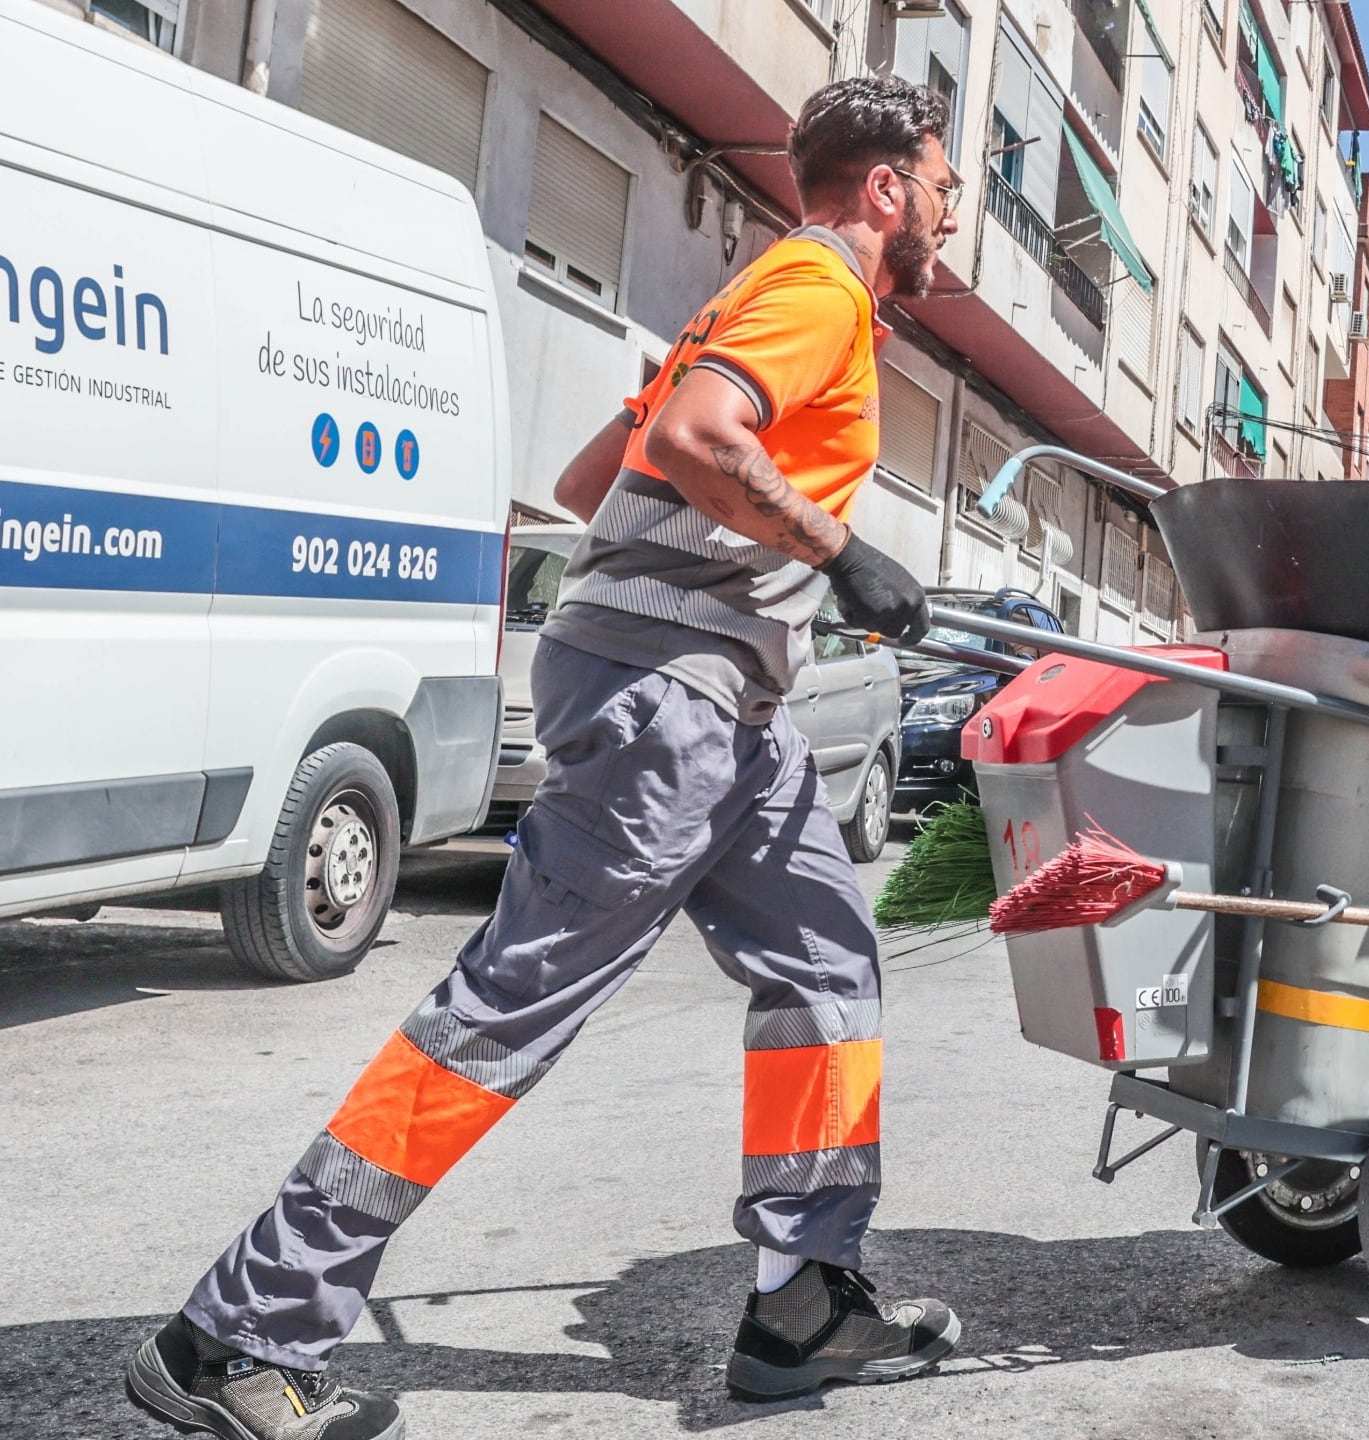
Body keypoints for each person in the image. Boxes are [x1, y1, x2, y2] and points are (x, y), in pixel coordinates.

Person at [126, 76, 967, 1440]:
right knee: (502, 1016)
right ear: (886, 189)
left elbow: (598, 481)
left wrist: (771, 552)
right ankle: (233, 1334)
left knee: (829, 965)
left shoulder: (754, 304)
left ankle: (802, 1299)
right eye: (943, 187)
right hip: (666, 703)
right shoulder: (819, 290)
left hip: (728, 715)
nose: (947, 216)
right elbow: (695, 441)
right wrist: (839, 550)